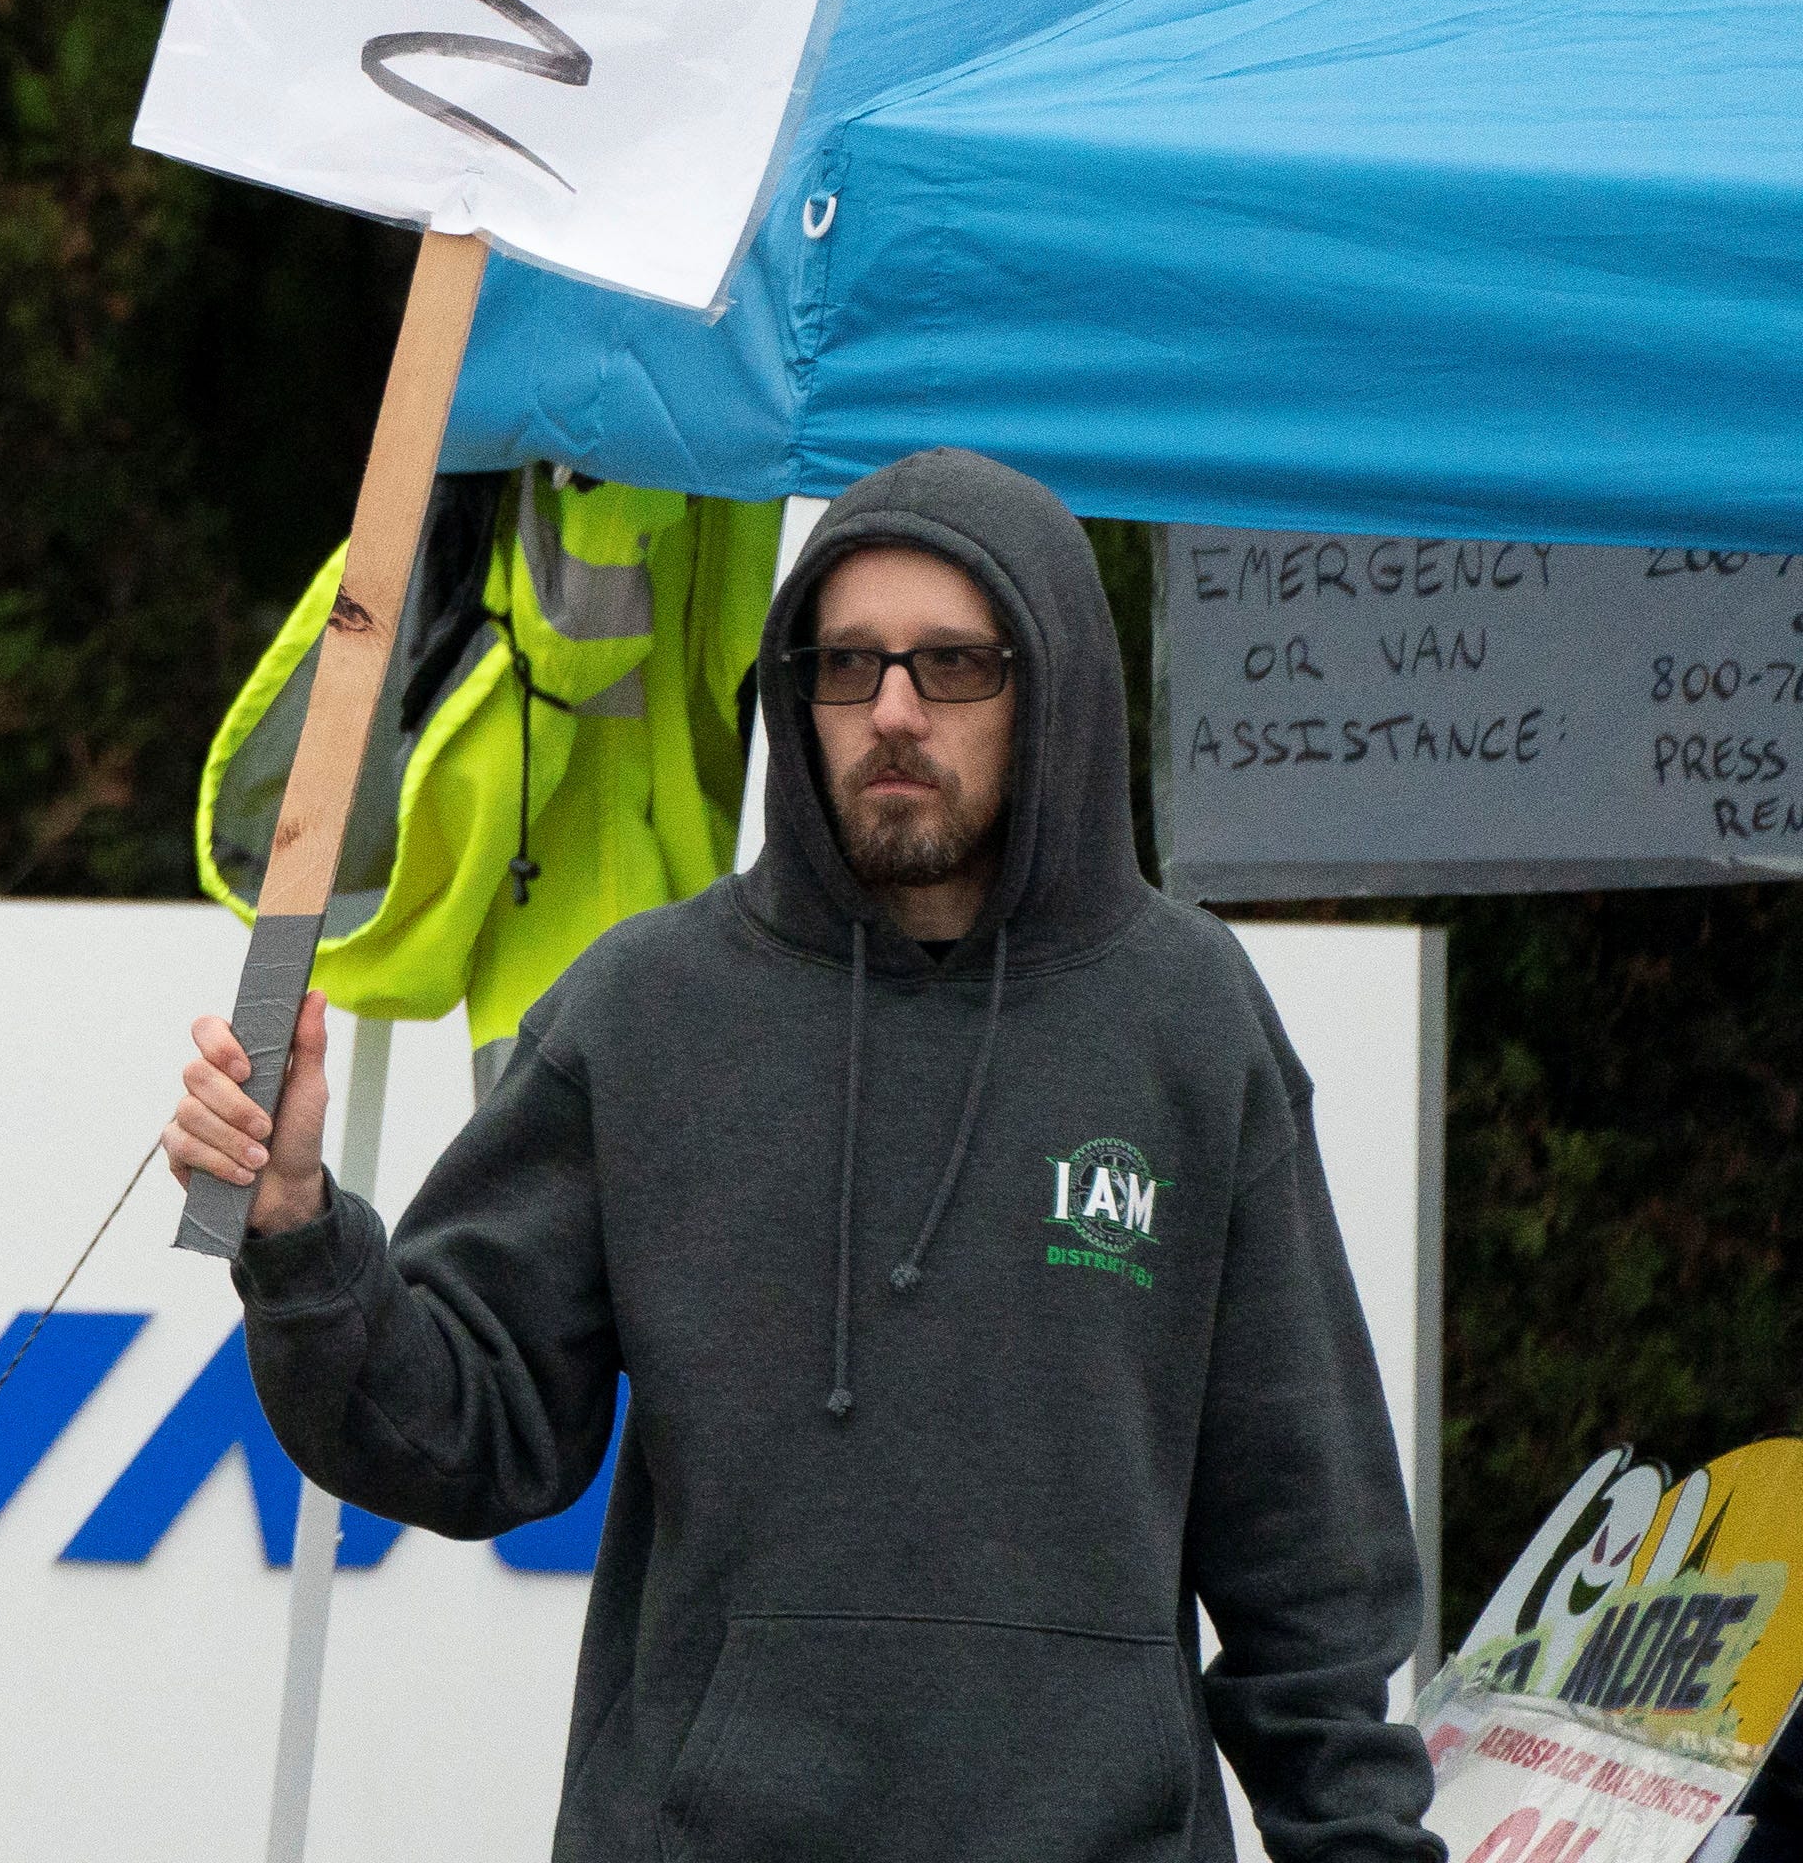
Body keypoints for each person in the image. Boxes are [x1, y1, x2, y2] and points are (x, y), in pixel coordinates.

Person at [163, 447, 1437, 1863]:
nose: (893, 712)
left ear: (1054, 686)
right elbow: (467, 1429)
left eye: (953, 666)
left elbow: (1305, 1558)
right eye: (849, 666)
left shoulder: (1189, 1020)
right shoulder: (643, 1011)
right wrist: (292, 1229)